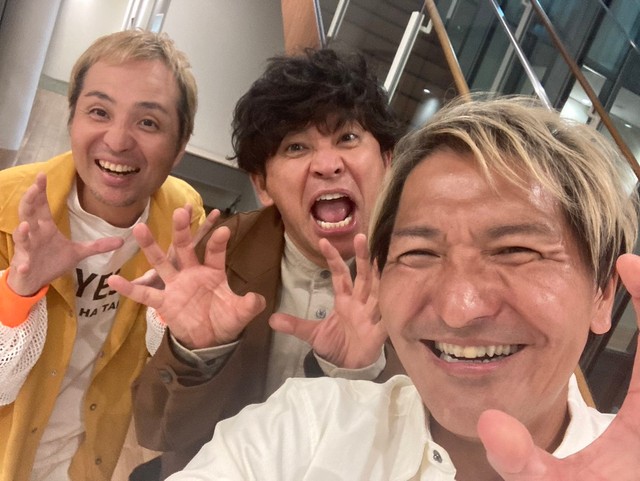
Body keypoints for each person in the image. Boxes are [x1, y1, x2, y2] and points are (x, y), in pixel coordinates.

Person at [164, 95, 640, 481]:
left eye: (516, 250)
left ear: (603, 293)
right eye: (419, 253)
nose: (458, 309)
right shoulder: (303, 430)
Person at [107, 48, 406, 478]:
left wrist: (355, 374)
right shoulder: (219, 255)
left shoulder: (424, 272)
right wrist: (198, 355)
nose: (327, 165)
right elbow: (158, 429)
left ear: (388, 160)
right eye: (296, 147)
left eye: (347, 138)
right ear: (262, 185)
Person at [0, 30, 204, 481]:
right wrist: (19, 291)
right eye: (99, 111)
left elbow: (165, 384)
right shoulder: (7, 209)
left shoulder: (182, 218)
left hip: (85, 462)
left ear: (180, 145)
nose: (117, 140)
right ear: (72, 117)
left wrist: (175, 321)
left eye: (147, 122)